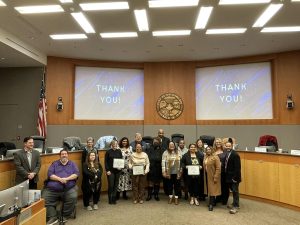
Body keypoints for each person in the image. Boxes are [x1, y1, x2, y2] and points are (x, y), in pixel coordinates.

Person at [42, 149, 79, 225]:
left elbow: (76, 174)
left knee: (73, 197)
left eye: (65, 154)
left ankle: (64, 215)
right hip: (52, 189)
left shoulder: (72, 164)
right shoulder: (54, 164)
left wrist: (66, 179)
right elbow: (50, 175)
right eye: (62, 154)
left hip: (68, 188)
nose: (64, 155)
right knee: (44, 198)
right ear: (60, 155)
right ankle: (52, 217)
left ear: (68, 155)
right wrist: (60, 179)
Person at [224, 141, 241, 214]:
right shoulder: (226, 153)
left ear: (232, 146)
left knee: (235, 191)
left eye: (229, 146)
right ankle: (234, 203)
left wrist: (235, 178)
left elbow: (238, 168)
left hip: (234, 177)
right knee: (232, 190)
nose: (228, 147)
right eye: (226, 146)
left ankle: (236, 206)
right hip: (228, 176)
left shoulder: (235, 154)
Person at [203, 146, 221, 211]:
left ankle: (211, 205)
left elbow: (218, 168)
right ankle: (213, 202)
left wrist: (216, 177)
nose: (208, 151)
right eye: (207, 149)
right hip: (206, 175)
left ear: (212, 150)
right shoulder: (205, 157)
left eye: (209, 149)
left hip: (213, 176)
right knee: (209, 190)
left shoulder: (215, 157)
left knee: (212, 190)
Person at [104, 140, 123, 204]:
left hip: (118, 170)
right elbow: (106, 162)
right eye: (113, 145)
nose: (115, 146)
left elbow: (121, 160)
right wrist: (107, 170)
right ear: (111, 145)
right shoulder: (108, 152)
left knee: (116, 185)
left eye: (116, 145)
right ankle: (110, 198)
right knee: (111, 185)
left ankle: (114, 198)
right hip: (110, 171)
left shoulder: (119, 151)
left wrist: (120, 167)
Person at [146, 137, 164, 201]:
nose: (155, 142)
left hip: (158, 168)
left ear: (159, 142)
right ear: (153, 142)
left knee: (157, 182)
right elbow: (146, 157)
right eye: (154, 141)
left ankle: (156, 195)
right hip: (151, 168)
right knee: (150, 182)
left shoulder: (162, 149)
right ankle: (149, 195)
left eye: (157, 141)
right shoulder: (149, 148)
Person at [214, 138, 227, 205]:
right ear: (215, 144)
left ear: (221, 143)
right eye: (217, 142)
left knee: (224, 185)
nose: (218, 143)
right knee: (217, 185)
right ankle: (218, 198)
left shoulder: (225, 150)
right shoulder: (213, 151)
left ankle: (224, 199)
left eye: (219, 142)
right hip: (215, 171)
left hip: (223, 171)